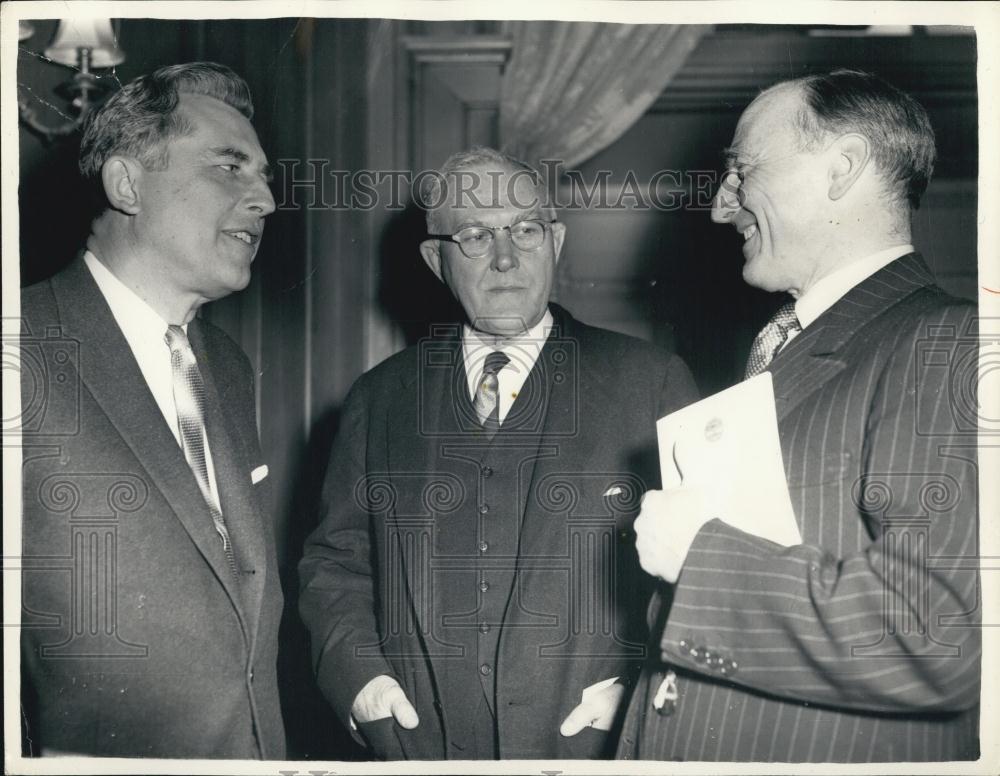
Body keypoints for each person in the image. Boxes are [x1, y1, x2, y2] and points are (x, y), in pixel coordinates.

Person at [618, 69, 979, 762]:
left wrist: (701, 558)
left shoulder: (949, 343)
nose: (723, 208)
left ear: (841, 169)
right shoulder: (792, 345)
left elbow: (938, 633)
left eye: (742, 172)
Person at [298, 147, 698, 760]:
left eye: (527, 230)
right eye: (477, 236)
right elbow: (336, 563)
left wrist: (639, 693)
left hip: (591, 750)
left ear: (556, 242)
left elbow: (701, 571)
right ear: (437, 259)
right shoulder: (380, 398)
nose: (507, 258)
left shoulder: (651, 382)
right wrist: (361, 682)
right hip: (418, 751)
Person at [19, 62, 285, 758]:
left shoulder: (226, 365)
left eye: (263, 174)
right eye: (230, 167)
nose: (265, 200)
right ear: (127, 183)